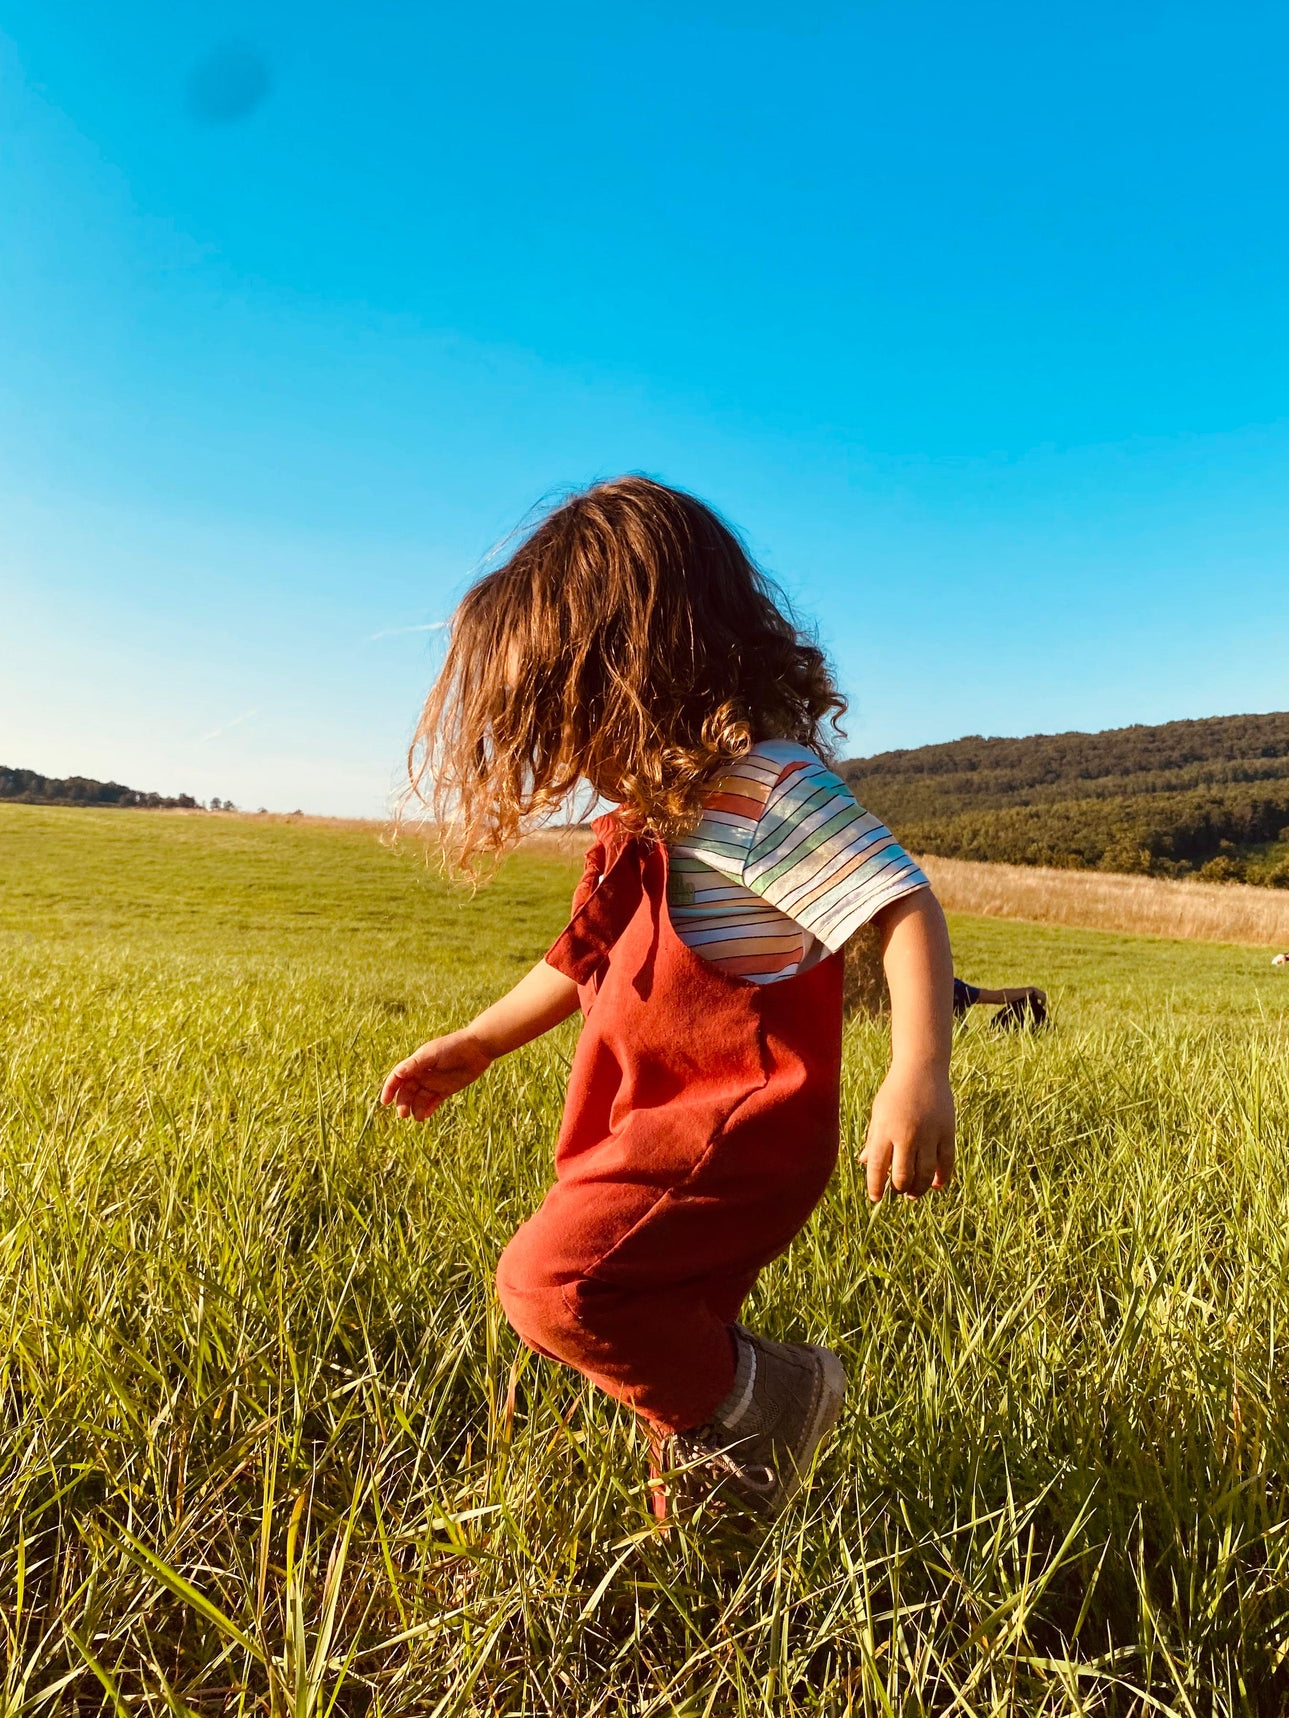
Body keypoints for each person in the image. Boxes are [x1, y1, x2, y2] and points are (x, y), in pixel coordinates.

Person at [379, 477, 957, 1526]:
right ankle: (721, 1514)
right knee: (664, 1319)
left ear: (643, 669)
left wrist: (915, 1070)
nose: (562, 754)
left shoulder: (762, 791)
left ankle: (779, 1399)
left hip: (729, 1127)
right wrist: (477, 1041)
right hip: (641, 1119)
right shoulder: (645, 819)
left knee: (554, 1284)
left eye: (568, 712)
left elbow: (898, 903)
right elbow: (579, 956)